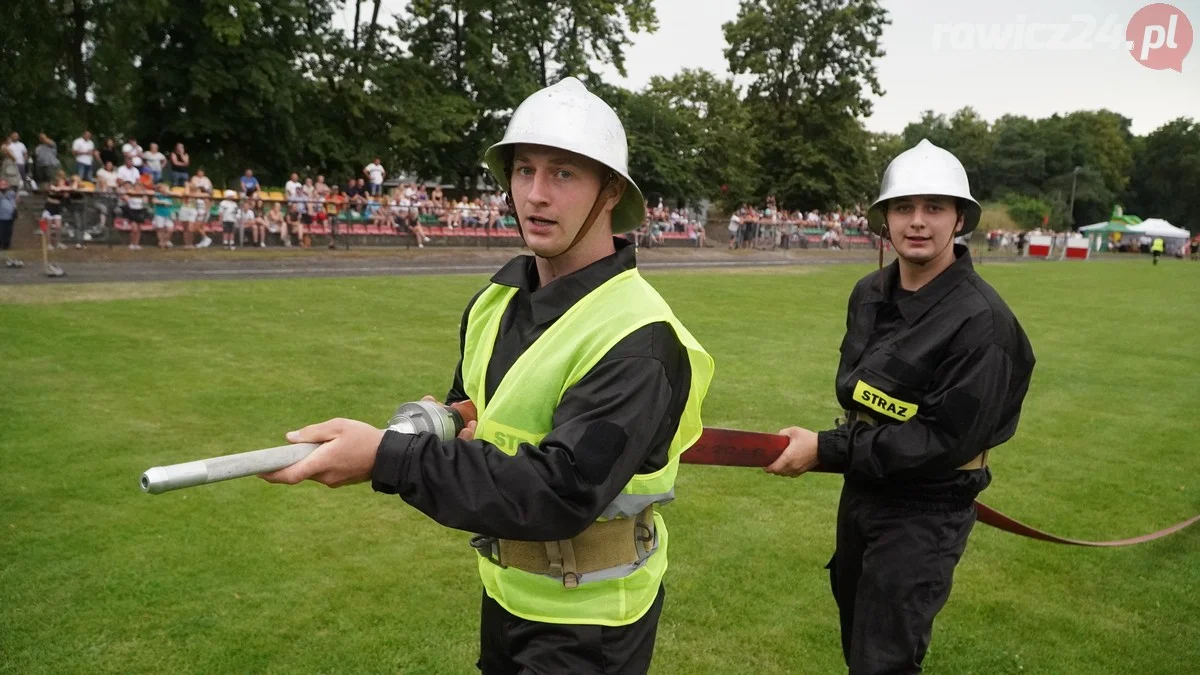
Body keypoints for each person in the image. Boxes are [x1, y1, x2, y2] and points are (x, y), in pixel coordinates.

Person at [259, 77, 715, 674]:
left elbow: (560, 491)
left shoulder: (639, 338)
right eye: (524, 171)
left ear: (609, 194)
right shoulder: (495, 302)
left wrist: (387, 459)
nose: (536, 195)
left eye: (564, 174)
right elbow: (473, 407)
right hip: (507, 592)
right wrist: (447, 422)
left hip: (592, 620)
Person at [765, 139, 1036, 675]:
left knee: (883, 661)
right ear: (883, 218)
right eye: (903, 207)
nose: (917, 222)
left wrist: (828, 448)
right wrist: (838, 447)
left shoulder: (982, 323)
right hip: (865, 492)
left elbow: (942, 439)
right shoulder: (869, 292)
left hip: (926, 509)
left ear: (959, 219)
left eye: (934, 208)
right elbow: (859, 392)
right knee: (857, 639)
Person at [0, 177, 22, 268]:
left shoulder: (11, 193)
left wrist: (16, 200)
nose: (3, 186)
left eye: (5, 184)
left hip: (10, 217)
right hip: (1, 217)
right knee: (2, 233)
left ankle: (6, 249)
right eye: (1, 184)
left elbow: (17, 199)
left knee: (8, 233)